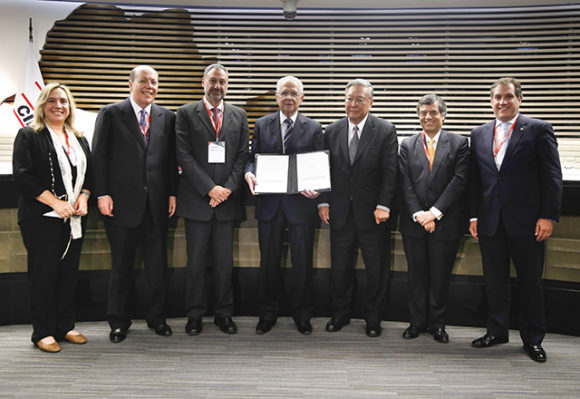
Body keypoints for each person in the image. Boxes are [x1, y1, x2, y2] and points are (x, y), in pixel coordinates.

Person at [469, 77, 562, 362]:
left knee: (530, 283)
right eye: (497, 97)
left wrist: (548, 216)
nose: (502, 102)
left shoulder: (538, 129)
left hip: (527, 222)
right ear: (491, 101)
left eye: (508, 96)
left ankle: (533, 338)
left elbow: (552, 176)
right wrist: (473, 215)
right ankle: (497, 331)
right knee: (494, 282)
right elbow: (476, 180)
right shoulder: (480, 133)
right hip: (490, 222)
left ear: (519, 99)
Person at [92, 65, 177, 343]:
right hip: (121, 205)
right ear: (131, 83)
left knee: (157, 268)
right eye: (144, 81)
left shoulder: (167, 116)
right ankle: (118, 322)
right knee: (122, 267)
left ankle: (157, 318)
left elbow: (169, 161)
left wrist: (172, 194)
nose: (150, 86)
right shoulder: (111, 113)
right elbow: (99, 157)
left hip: (157, 205)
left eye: (154, 81)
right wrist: (102, 194)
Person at [13, 83, 91, 353]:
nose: (59, 105)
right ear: (42, 105)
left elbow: (90, 174)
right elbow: (23, 176)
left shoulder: (79, 138)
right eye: (52, 101)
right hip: (41, 217)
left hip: (74, 219)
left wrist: (84, 197)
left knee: (68, 275)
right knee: (44, 275)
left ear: (70, 107)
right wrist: (55, 202)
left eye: (64, 101)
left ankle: (64, 326)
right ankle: (43, 332)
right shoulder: (29, 135)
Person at [318, 79, 398, 338]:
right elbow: (325, 171)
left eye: (359, 99)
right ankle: (340, 312)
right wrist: (323, 201)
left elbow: (390, 172)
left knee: (376, 268)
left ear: (371, 102)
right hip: (339, 212)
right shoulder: (331, 130)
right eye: (349, 98)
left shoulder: (385, 129)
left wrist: (384, 204)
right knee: (340, 267)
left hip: (374, 214)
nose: (352, 104)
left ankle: (373, 317)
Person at [245, 76, 324, 335]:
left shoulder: (314, 127)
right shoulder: (261, 124)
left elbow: (319, 166)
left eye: (294, 93)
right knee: (268, 261)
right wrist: (249, 173)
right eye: (284, 93)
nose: (288, 97)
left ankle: (302, 314)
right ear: (276, 97)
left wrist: (317, 188)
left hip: (302, 205)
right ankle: (267, 313)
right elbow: (251, 158)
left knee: (302, 262)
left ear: (302, 98)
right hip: (270, 204)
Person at [175, 64, 249, 336]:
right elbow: (183, 155)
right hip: (198, 201)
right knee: (195, 263)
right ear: (203, 82)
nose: (218, 86)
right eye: (213, 81)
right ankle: (194, 315)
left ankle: (224, 314)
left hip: (227, 203)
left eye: (223, 82)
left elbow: (242, 156)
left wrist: (227, 188)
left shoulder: (239, 115)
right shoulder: (184, 113)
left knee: (223, 264)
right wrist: (210, 189)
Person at [398, 94, 469, 344]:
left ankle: (438, 324)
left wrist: (434, 213)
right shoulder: (407, 144)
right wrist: (419, 214)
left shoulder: (460, 143)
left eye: (433, 112)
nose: (427, 117)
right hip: (414, 222)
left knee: (440, 276)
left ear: (443, 115)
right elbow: (404, 183)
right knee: (416, 275)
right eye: (423, 113)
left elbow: (459, 182)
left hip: (445, 222)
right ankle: (416, 322)